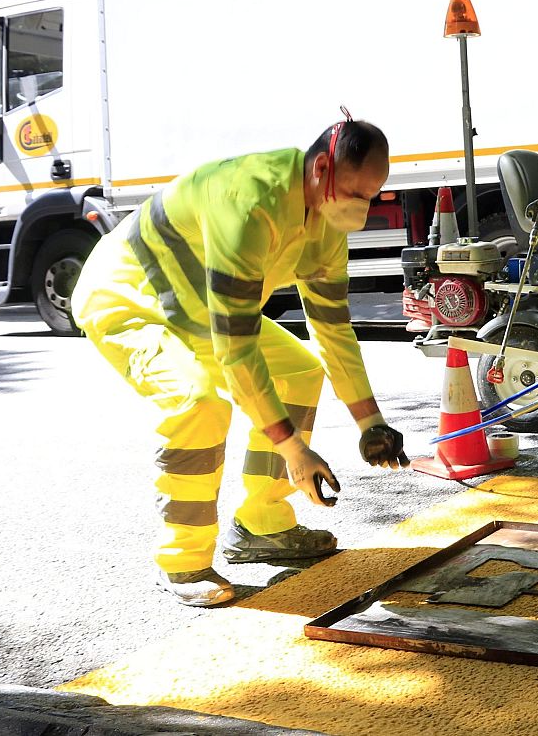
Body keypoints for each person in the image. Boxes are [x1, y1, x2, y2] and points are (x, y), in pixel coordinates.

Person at [72, 116, 411, 607]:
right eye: (357, 194)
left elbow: (333, 329)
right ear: (321, 168)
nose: (363, 207)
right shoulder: (250, 200)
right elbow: (236, 349)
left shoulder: (326, 220)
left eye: (372, 196)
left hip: (197, 307)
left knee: (299, 370)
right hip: (130, 298)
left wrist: (370, 422)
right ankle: (182, 561)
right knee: (198, 402)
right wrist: (293, 449)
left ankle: (261, 525)